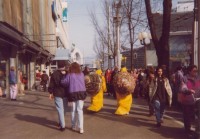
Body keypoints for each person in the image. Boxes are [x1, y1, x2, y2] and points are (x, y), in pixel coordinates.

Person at [61, 62, 87, 134]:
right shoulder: (82, 74)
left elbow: (64, 82)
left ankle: (73, 126)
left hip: (73, 93)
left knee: (73, 110)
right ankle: (81, 128)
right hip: (82, 93)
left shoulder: (69, 74)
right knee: (80, 110)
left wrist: (63, 76)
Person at [179, 65, 200, 134]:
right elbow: (182, 88)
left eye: (196, 71)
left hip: (197, 100)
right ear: (189, 71)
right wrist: (188, 90)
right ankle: (187, 130)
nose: (196, 72)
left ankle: (197, 130)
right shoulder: (184, 78)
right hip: (187, 100)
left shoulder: (198, 78)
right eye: (194, 71)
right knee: (187, 116)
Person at [48, 61, 68, 131]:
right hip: (65, 93)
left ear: (57, 66)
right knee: (64, 109)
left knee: (60, 109)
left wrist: (50, 93)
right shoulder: (67, 73)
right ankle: (61, 122)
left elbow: (51, 84)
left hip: (57, 93)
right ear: (64, 66)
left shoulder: (54, 74)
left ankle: (62, 125)